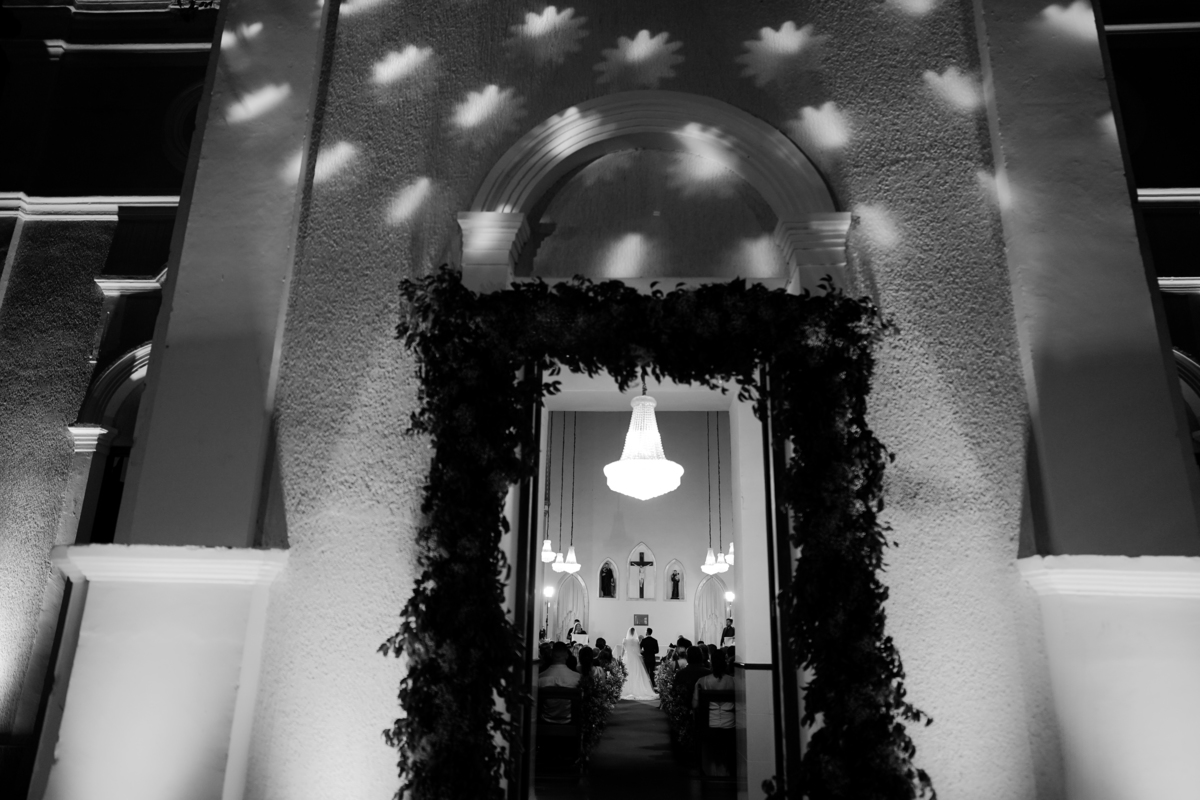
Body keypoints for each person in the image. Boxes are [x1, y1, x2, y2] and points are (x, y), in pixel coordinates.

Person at [693, 650, 736, 776]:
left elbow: (695, 705)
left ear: (711, 662)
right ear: (725, 662)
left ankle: (710, 772)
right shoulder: (733, 681)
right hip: (730, 725)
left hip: (709, 724)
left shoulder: (702, 681)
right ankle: (726, 772)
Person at [538, 641, 581, 724]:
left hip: (545, 722)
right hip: (569, 723)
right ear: (567, 655)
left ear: (551, 655)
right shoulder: (577, 678)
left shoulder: (540, 678)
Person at [620, 626, 658, 701]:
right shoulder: (636, 641)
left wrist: (621, 658)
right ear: (634, 633)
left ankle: (626, 689)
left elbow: (623, 651)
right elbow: (639, 651)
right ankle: (638, 689)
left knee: (627, 673)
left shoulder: (624, 640)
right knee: (636, 673)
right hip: (635, 658)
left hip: (627, 658)